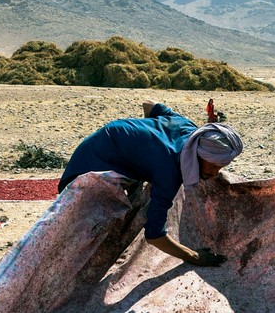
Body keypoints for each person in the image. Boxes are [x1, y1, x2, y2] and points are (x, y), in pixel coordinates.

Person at [59, 101, 243, 266]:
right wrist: (194, 256)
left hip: (107, 137)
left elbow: (149, 105)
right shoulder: (168, 172)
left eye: (219, 168)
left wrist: (144, 147)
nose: (214, 174)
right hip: (88, 167)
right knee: (83, 234)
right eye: (211, 166)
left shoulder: (187, 127)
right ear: (195, 154)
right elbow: (154, 234)